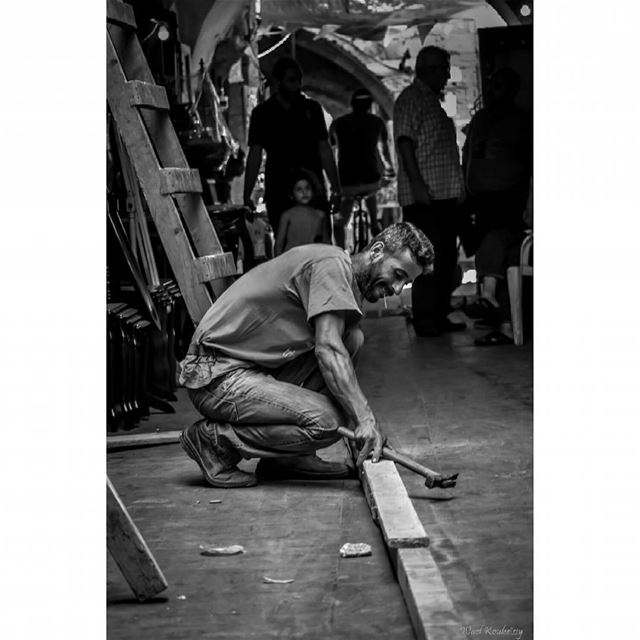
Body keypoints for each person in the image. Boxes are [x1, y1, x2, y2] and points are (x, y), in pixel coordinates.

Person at [178, 222, 434, 488]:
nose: (397, 288)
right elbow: (328, 350)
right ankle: (215, 442)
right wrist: (365, 420)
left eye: (406, 282)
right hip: (216, 375)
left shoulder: (348, 283)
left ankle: (290, 457)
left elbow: (340, 352)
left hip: (252, 368)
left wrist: (366, 429)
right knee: (328, 421)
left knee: (351, 339)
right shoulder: (331, 266)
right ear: (378, 250)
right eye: (398, 274)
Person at [393, 45, 466, 337]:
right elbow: (405, 144)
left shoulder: (434, 102)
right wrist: (418, 186)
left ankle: (438, 315)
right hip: (425, 198)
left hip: (444, 195)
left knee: (446, 258)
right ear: (429, 71)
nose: (447, 75)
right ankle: (425, 319)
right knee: (428, 262)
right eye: (443, 69)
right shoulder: (411, 100)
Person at [461, 67, 532, 343]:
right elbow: (470, 154)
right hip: (482, 197)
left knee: (501, 245)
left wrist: (529, 201)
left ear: (512, 90)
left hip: (511, 195)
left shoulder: (521, 121)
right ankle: (495, 311)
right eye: (491, 86)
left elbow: (530, 164)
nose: (492, 92)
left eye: (499, 86)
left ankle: (497, 309)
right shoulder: (482, 119)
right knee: (488, 249)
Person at [243, 57, 341, 238]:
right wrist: (247, 193)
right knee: (286, 245)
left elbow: (324, 149)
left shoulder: (312, 109)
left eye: (298, 80)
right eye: (291, 80)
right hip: (279, 190)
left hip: (312, 189)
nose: (296, 86)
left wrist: (336, 188)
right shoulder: (263, 114)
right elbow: (254, 155)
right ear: (278, 82)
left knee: (319, 245)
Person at [329, 89, 395, 248]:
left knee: (339, 222)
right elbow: (384, 151)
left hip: (346, 182)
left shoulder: (337, 124)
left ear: (352, 105)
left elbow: (331, 148)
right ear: (369, 105)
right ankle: (373, 223)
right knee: (372, 187)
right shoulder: (377, 123)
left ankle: (341, 249)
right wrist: (389, 169)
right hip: (371, 180)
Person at [275, 170, 330, 255]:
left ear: (313, 190)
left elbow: (326, 242)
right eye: (299, 189)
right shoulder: (288, 215)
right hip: (292, 259)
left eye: (307, 188)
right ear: (291, 194)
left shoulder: (320, 215)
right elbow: (279, 244)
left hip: (312, 258)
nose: (304, 192)